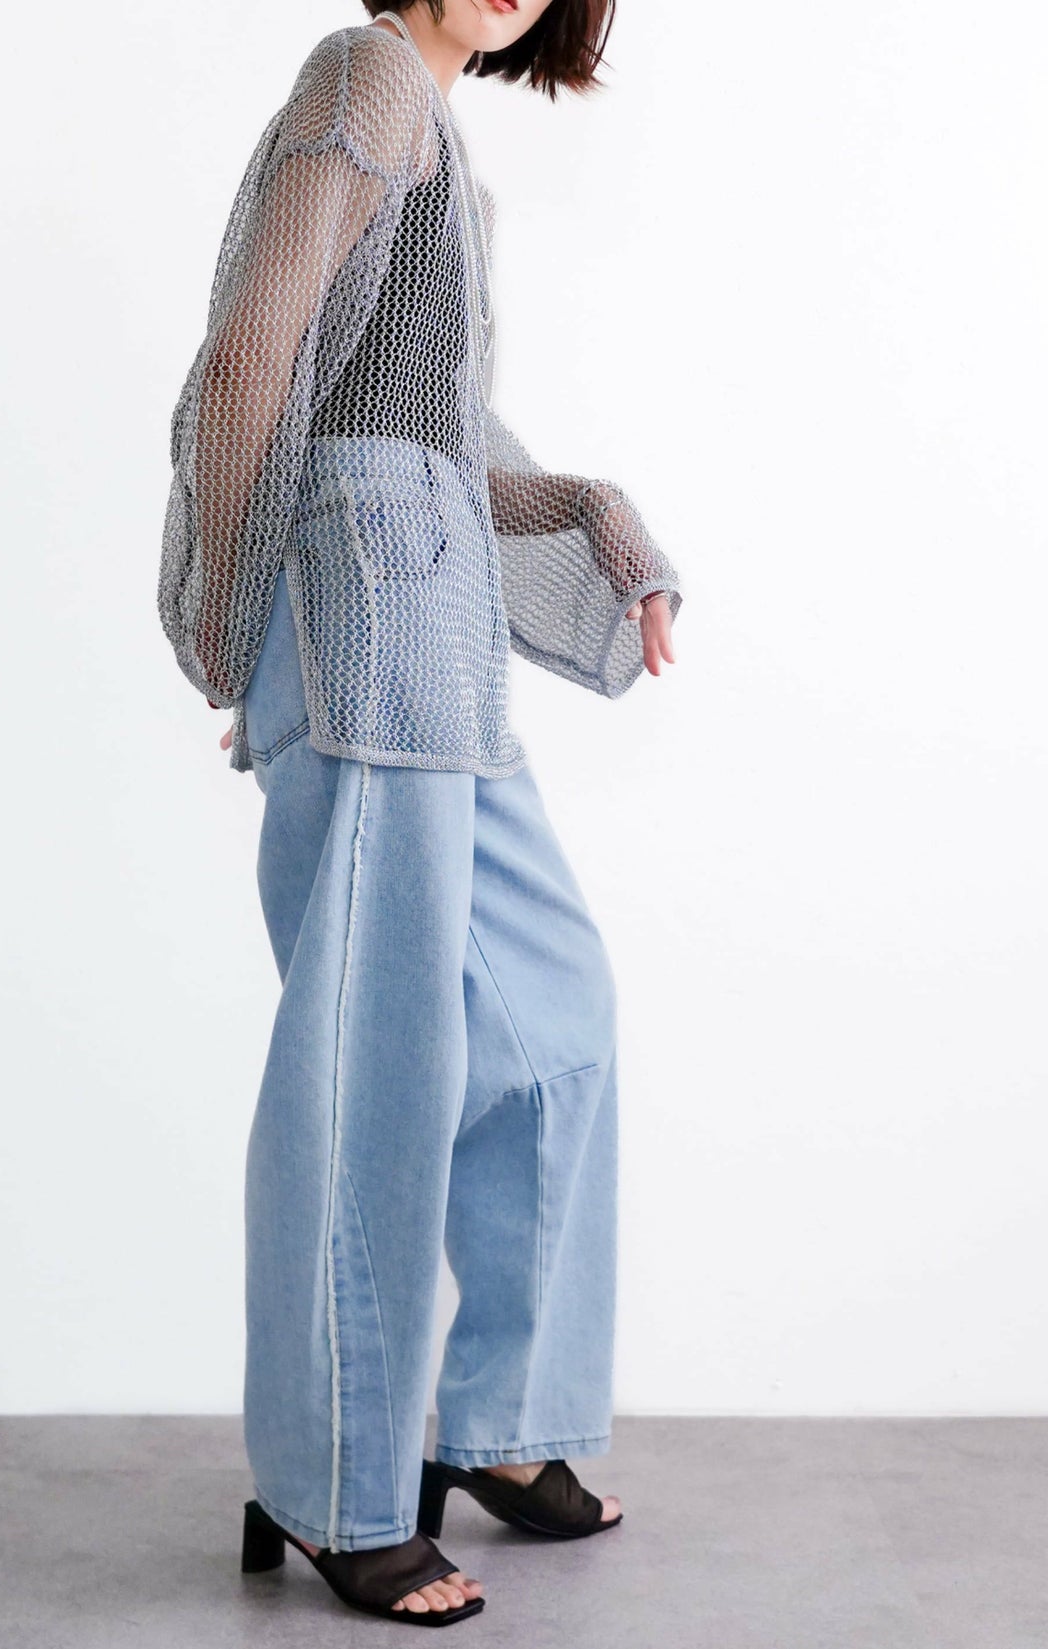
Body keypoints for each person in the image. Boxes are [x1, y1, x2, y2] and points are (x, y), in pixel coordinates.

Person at [158, 0, 682, 1627]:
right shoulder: (369, 73)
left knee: (550, 1016)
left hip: (440, 650)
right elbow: (251, 357)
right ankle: (335, 1483)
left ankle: (497, 1420)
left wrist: (596, 515)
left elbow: (434, 442)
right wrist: (233, 618)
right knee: (373, 1071)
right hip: (363, 630)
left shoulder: (430, 122)